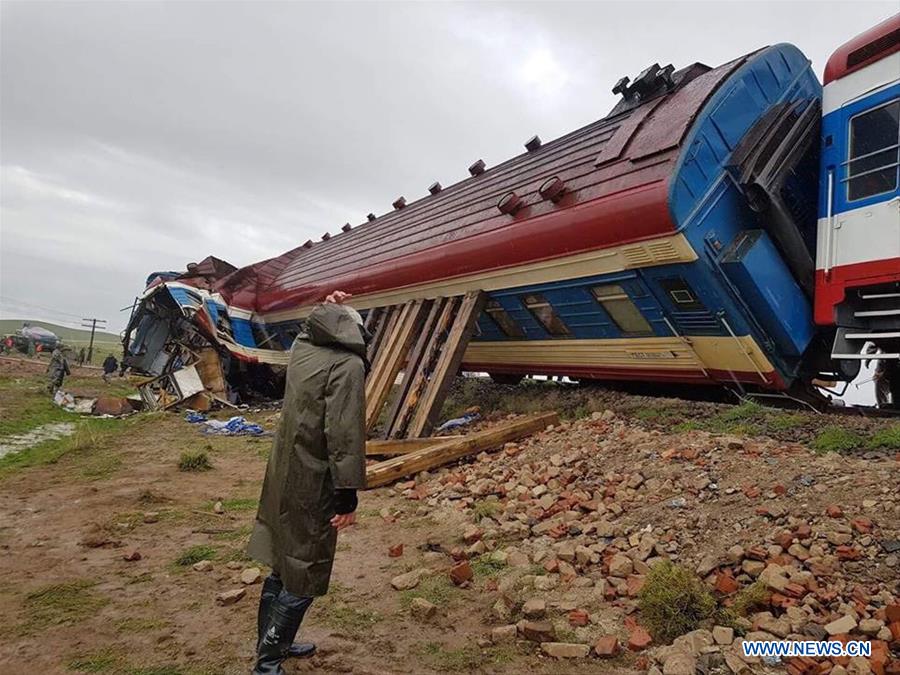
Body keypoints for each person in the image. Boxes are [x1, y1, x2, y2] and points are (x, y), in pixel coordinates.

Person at [246, 294, 367, 675]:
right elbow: (344, 432)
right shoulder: (348, 365)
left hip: (284, 472)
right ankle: (268, 663)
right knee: (306, 568)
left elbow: (310, 328)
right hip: (314, 479)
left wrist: (323, 307)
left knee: (284, 562)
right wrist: (346, 494)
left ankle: (270, 644)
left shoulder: (304, 348)